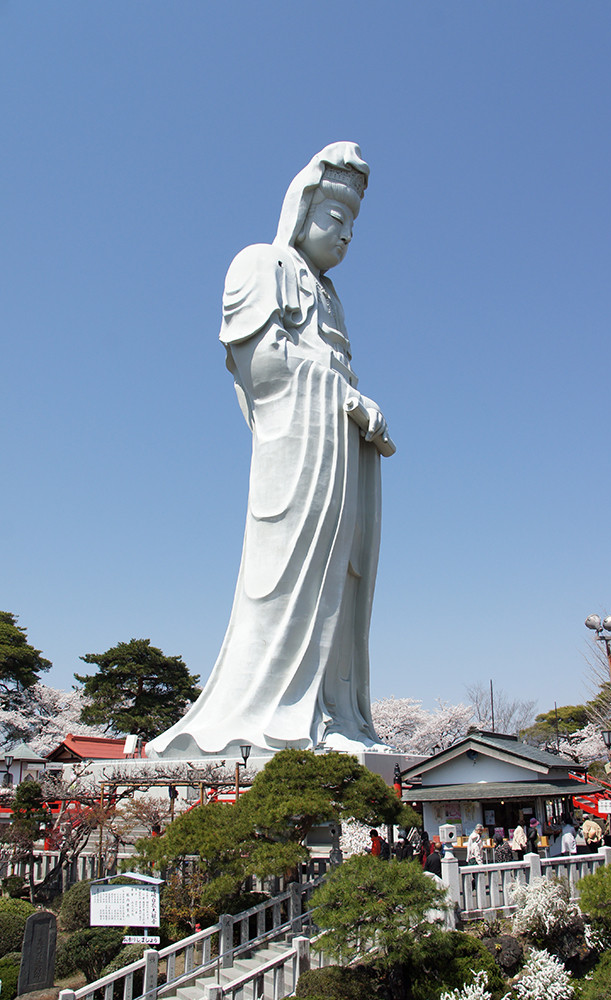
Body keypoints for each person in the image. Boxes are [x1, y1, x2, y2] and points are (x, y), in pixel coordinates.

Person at [147, 143, 392, 759]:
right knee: (290, 579)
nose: (347, 235)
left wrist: (356, 409)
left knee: (343, 581)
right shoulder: (261, 264)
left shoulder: (331, 296)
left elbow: (332, 370)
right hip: (299, 450)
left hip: (340, 453)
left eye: (354, 224)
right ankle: (272, 716)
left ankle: (333, 711)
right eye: (335, 217)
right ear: (303, 210)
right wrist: (346, 397)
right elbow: (264, 367)